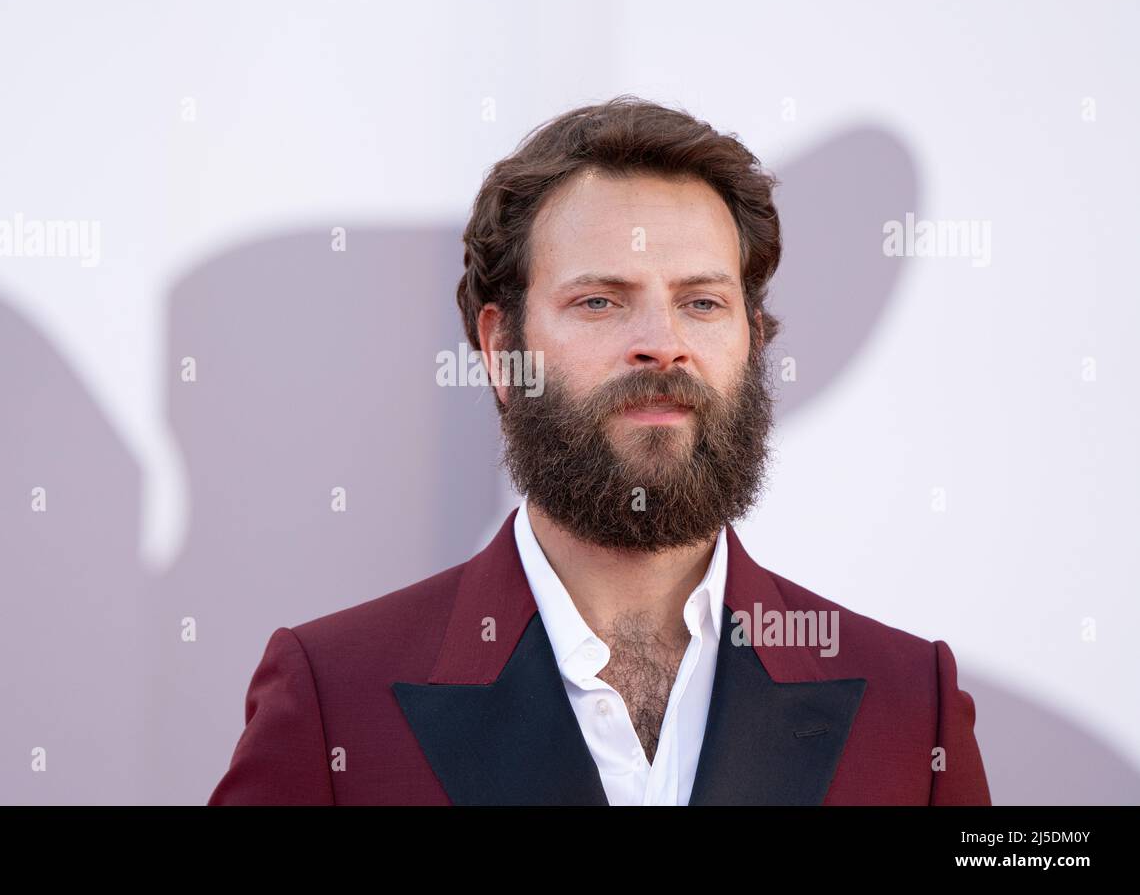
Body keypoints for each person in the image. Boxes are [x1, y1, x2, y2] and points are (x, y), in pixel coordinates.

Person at [208, 95, 992, 805]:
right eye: (599, 302)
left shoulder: (909, 702)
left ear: (752, 341)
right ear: (500, 347)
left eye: (703, 302)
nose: (662, 345)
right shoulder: (334, 694)